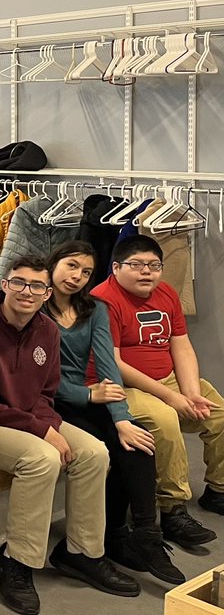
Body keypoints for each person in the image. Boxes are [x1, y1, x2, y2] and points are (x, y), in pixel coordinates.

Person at [0, 255, 138, 613]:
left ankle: (81, 552)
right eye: (19, 282)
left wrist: (46, 424)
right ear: (4, 285)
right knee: (41, 459)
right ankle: (16, 561)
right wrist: (43, 430)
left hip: (22, 417)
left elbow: (44, 393)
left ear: (46, 293)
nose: (27, 291)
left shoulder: (47, 330)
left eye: (37, 286)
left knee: (95, 452)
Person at [45, 241, 186, 585]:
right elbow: (36, 378)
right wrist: (87, 394)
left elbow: (109, 365)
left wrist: (121, 418)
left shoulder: (94, 309)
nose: (77, 276)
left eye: (86, 272)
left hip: (90, 397)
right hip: (50, 402)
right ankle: (91, 545)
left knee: (136, 439)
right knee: (103, 449)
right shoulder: (35, 307)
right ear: (53, 265)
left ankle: (139, 533)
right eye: (71, 266)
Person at [90, 235, 224, 548]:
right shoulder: (102, 300)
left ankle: (218, 490)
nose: (146, 272)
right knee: (165, 420)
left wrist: (190, 392)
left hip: (168, 379)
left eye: (154, 265)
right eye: (136, 265)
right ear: (116, 267)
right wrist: (171, 398)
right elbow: (115, 364)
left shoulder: (165, 293)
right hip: (120, 386)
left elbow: (181, 344)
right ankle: (172, 509)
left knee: (218, 412)